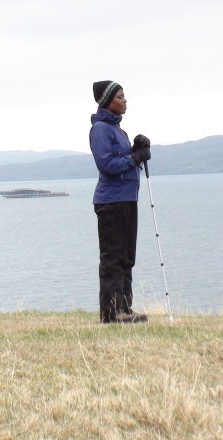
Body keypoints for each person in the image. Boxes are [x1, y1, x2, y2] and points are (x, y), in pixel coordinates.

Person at [89, 80, 151, 324]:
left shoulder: (118, 130)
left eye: (125, 96)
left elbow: (124, 158)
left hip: (127, 199)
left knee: (127, 256)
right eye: (120, 97)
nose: (125, 101)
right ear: (107, 101)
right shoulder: (101, 129)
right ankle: (111, 312)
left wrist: (137, 148)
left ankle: (125, 307)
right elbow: (106, 165)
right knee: (113, 256)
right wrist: (134, 157)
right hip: (111, 201)